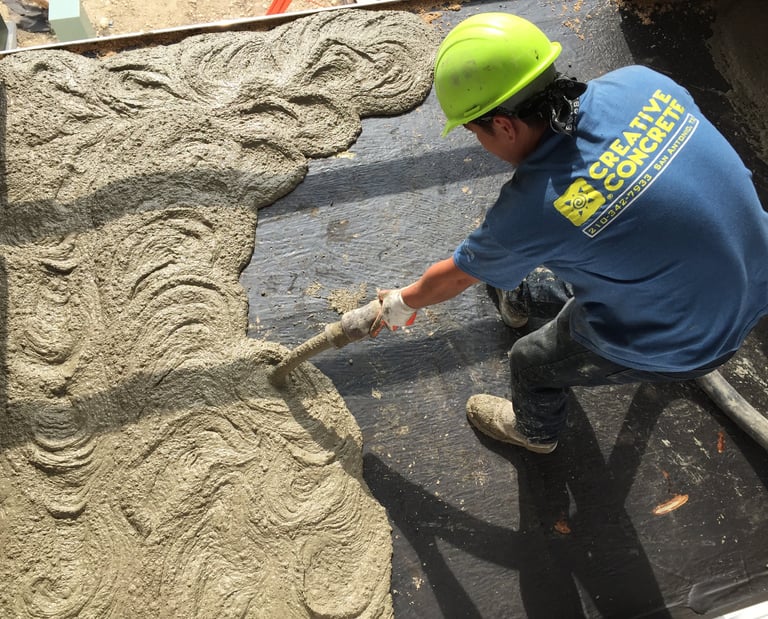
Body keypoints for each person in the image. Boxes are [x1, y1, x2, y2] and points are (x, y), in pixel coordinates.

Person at [373, 12, 768, 454]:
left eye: (474, 131)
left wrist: (399, 303)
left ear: (503, 125)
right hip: (754, 275)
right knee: (549, 264)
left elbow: (453, 277)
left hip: (689, 341)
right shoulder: (642, 83)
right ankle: (518, 301)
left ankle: (535, 432)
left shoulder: (532, 210)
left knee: (530, 360)